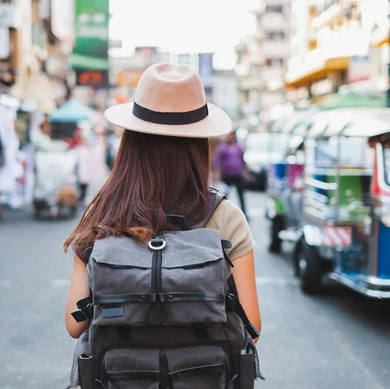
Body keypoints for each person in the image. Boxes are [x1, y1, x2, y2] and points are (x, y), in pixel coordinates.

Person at [63, 62, 261, 344]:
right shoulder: (225, 216)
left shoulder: (106, 210)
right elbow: (250, 327)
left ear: (131, 142)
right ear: (199, 143)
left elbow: (74, 323)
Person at [214, 131, 248, 216]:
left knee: (241, 195)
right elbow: (217, 161)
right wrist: (217, 172)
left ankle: (244, 213)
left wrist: (245, 171)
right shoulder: (222, 148)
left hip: (237, 175)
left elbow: (242, 160)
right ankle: (222, 214)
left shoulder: (238, 147)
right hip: (227, 175)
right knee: (225, 196)